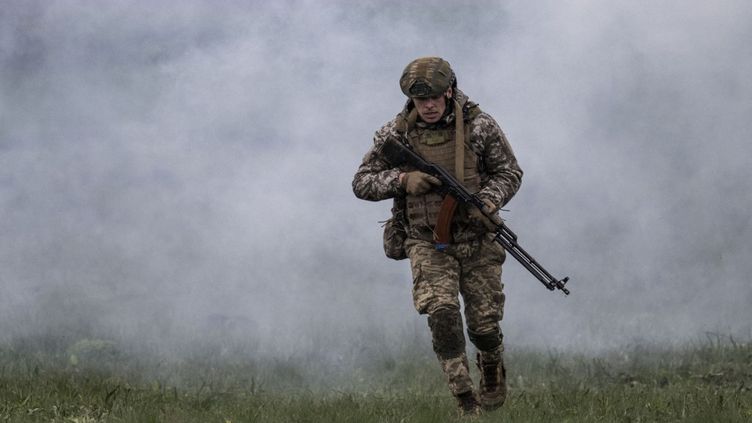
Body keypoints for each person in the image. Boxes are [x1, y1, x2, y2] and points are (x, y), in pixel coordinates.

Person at [352, 57, 523, 416]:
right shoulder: (395, 134)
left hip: (477, 240)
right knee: (442, 313)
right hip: (426, 240)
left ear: (449, 90)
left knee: (484, 323)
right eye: (419, 101)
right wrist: (401, 181)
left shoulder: (479, 126)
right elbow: (362, 182)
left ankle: (491, 368)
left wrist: (489, 201)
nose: (428, 107)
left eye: (433, 98)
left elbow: (509, 172)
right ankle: (464, 396)